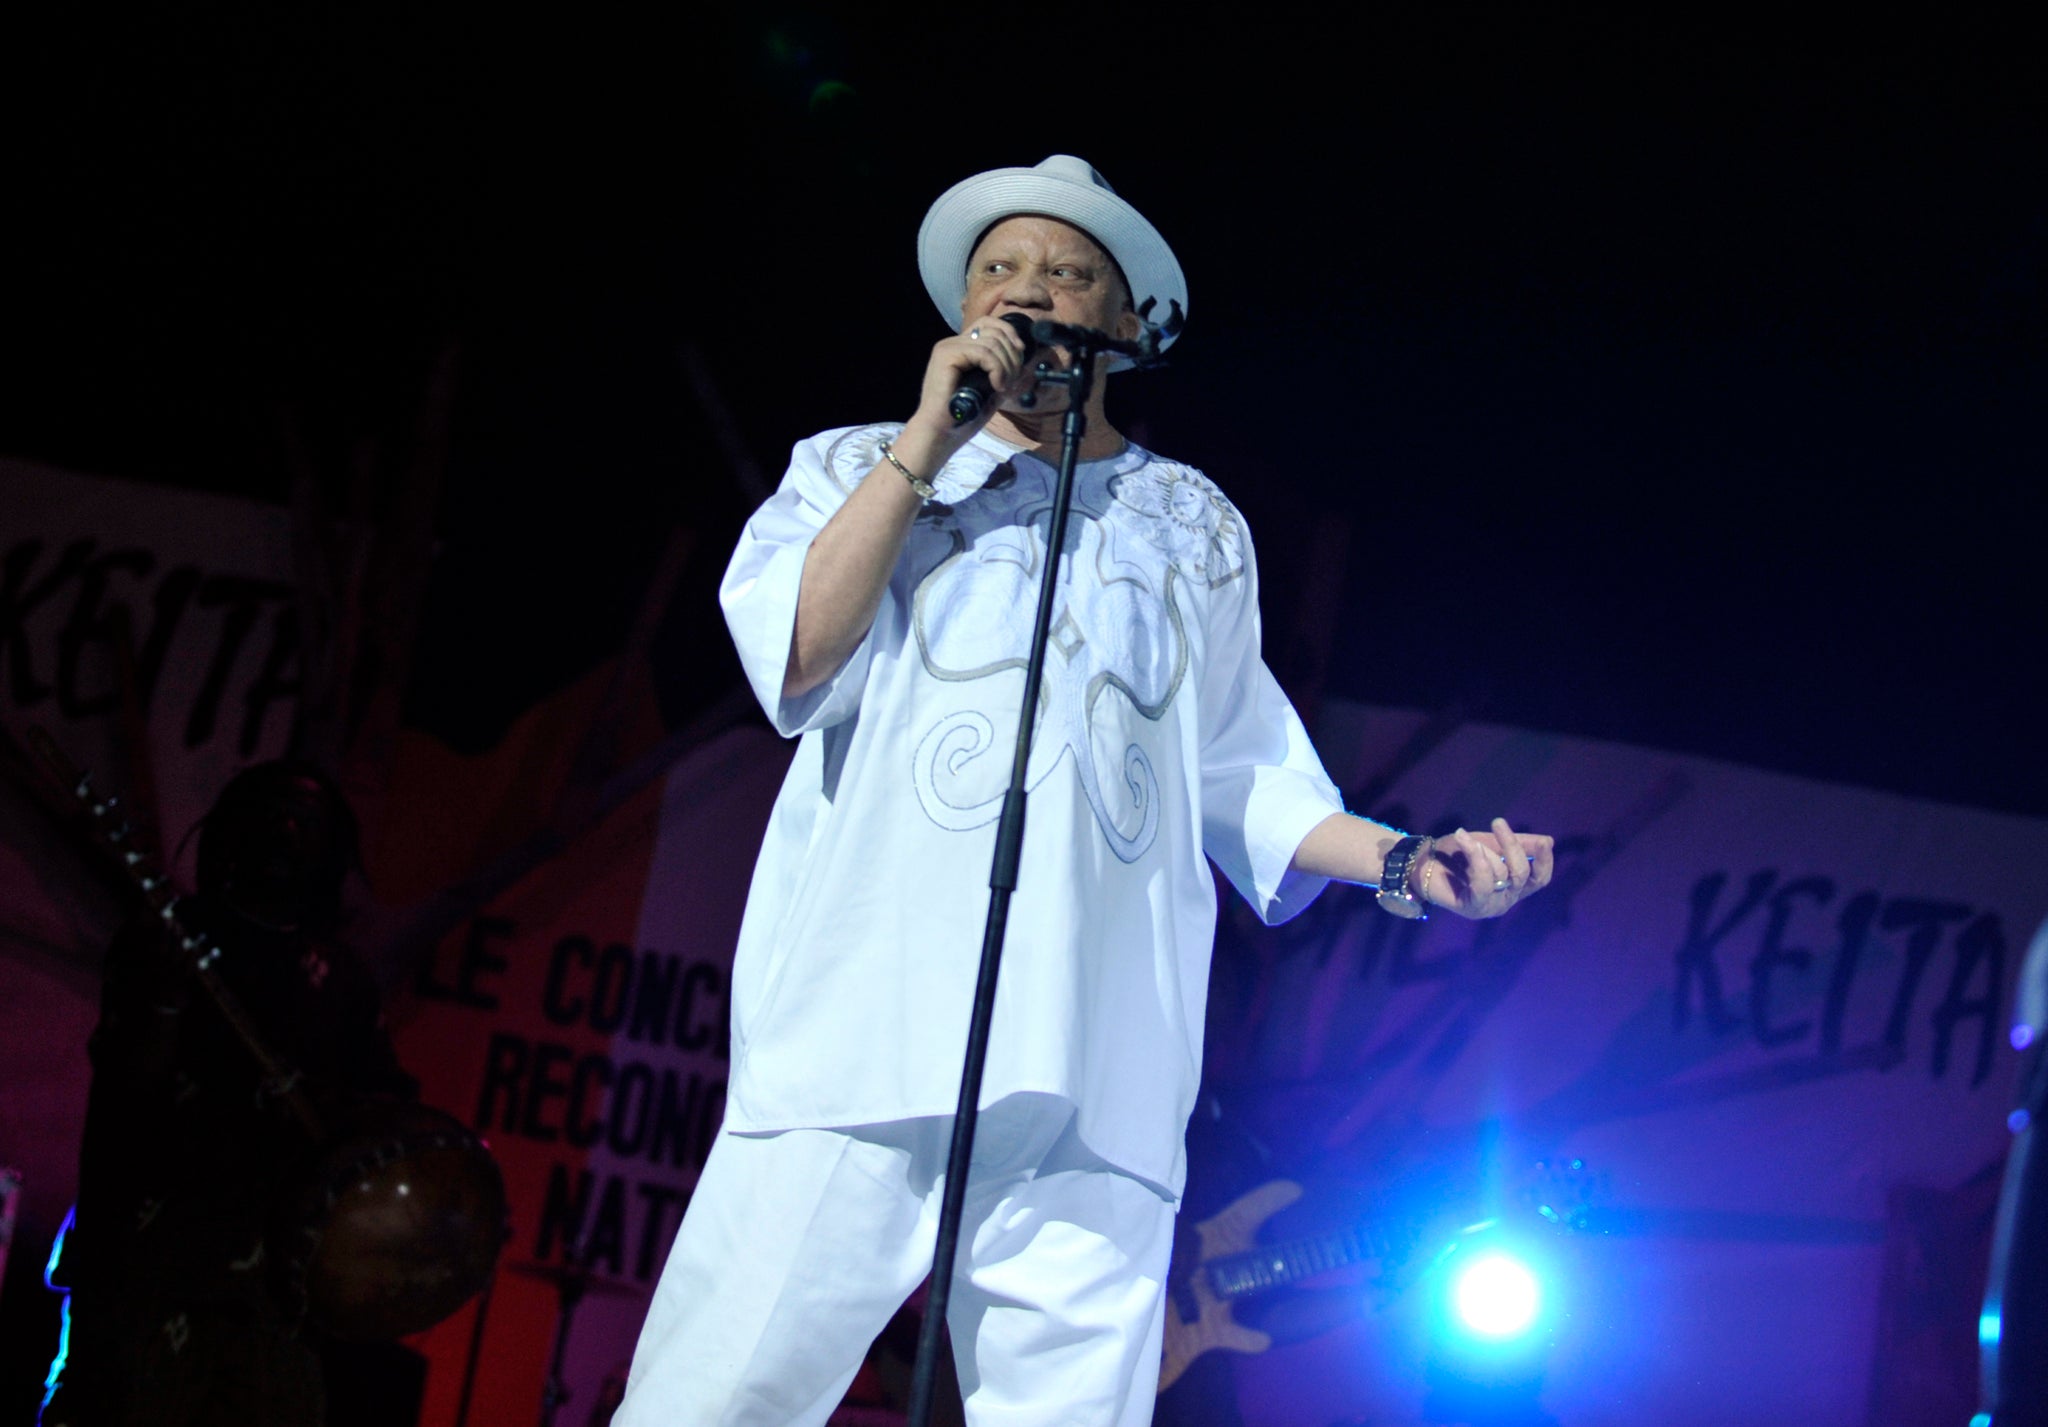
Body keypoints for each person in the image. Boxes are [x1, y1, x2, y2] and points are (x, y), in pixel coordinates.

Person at [615, 154, 1554, 1427]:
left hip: (1099, 1067)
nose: (1026, 292)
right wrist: (918, 452)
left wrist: (1402, 860)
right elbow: (792, 653)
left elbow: (1233, 767)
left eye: (1066, 272)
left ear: (1124, 323)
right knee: (712, 1403)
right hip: (856, 1032)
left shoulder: (1193, 523)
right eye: (997, 269)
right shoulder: (852, 466)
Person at [42, 761, 418, 1427]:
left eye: (305, 823)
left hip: (273, 1291)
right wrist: (163, 1000)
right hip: (148, 1262)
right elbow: (129, 1095)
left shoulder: (343, 982)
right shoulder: (164, 935)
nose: (285, 833)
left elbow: (379, 1111)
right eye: (272, 814)